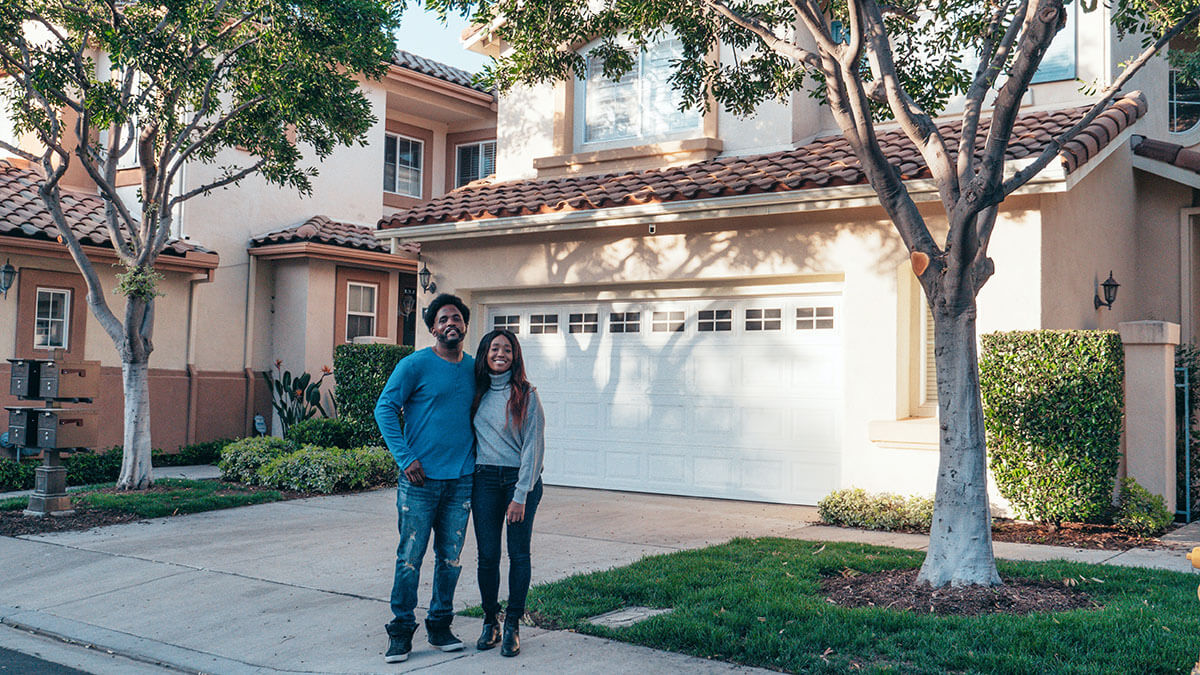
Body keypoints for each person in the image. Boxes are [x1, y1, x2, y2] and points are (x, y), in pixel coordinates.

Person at [374, 293, 476, 664]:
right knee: (410, 558)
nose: (451, 323)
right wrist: (405, 458)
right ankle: (400, 632)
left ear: (465, 325)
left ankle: (440, 625)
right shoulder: (414, 365)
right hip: (418, 481)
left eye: (457, 318)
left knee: (450, 559)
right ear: (433, 328)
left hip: (462, 480)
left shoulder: (473, 368)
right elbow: (384, 408)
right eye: (443, 319)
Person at [469, 329, 546, 658]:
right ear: (485, 353)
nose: (500, 354)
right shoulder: (476, 392)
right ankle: (491, 621)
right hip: (484, 479)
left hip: (520, 481)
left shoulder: (526, 393)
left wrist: (521, 495)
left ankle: (513, 623)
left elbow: (534, 447)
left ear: (515, 357)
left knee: (519, 554)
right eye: (494, 348)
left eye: (508, 349)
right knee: (487, 556)